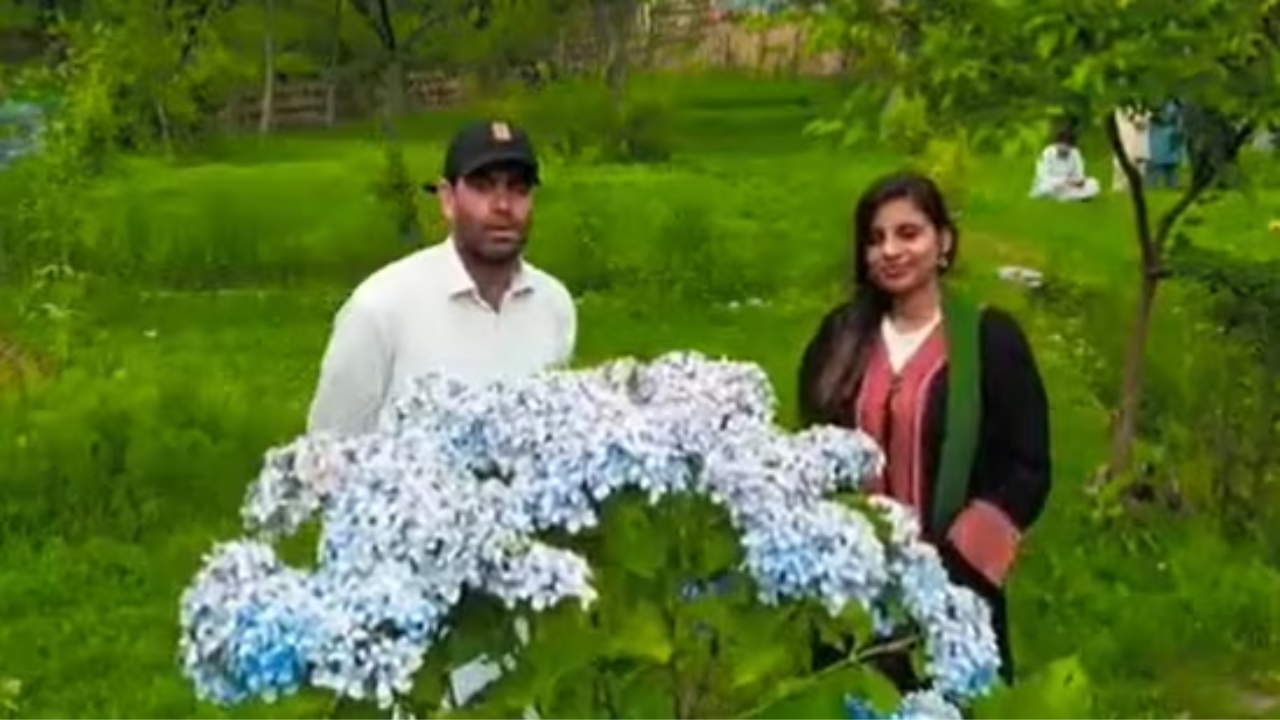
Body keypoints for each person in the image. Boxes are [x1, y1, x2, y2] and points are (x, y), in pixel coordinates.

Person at [798, 171, 1052, 690]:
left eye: (908, 233)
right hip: (851, 588)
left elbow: (1027, 466)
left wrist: (959, 561)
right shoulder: (840, 337)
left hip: (955, 585)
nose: (890, 251)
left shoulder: (988, 340)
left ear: (944, 242)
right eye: (875, 239)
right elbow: (812, 445)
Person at [306, 119, 578, 437]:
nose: (503, 206)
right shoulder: (380, 309)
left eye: (518, 188)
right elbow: (328, 447)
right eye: (483, 187)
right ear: (448, 199)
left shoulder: (553, 305)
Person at [1028, 129, 1099, 202]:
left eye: (1068, 146)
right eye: (1063, 145)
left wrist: (1078, 180)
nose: (1065, 149)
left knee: (1093, 183)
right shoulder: (1047, 152)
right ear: (1056, 143)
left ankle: (1072, 196)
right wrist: (1062, 181)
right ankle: (1076, 196)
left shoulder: (1075, 153)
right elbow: (1043, 176)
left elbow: (1079, 173)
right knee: (1047, 188)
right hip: (1051, 184)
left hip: (1070, 185)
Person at [1110, 107, 1150, 192]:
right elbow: (1138, 122)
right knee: (1121, 173)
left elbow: (1142, 124)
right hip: (1126, 146)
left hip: (1138, 147)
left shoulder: (1143, 108)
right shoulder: (1120, 109)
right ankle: (1120, 191)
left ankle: (1133, 191)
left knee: (1138, 173)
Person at [1146, 99, 1184, 190]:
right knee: (1155, 164)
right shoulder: (1158, 102)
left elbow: (1177, 120)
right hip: (1158, 135)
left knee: (1170, 166)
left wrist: (1178, 130)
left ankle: (1172, 185)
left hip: (1168, 135)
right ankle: (1151, 186)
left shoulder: (1173, 103)